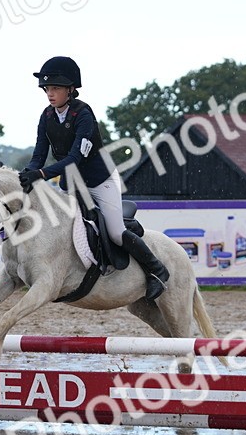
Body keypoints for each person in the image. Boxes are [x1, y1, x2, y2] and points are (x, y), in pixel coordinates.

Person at [18, 56, 169, 301]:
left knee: (116, 231)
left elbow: (76, 157)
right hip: (71, 183)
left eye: (55, 88)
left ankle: (157, 271)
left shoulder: (83, 114)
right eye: (47, 89)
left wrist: (43, 174)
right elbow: (38, 154)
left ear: (70, 89)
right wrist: (27, 175)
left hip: (100, 181)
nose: (49, 93)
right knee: (58, 227)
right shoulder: (46, 116)